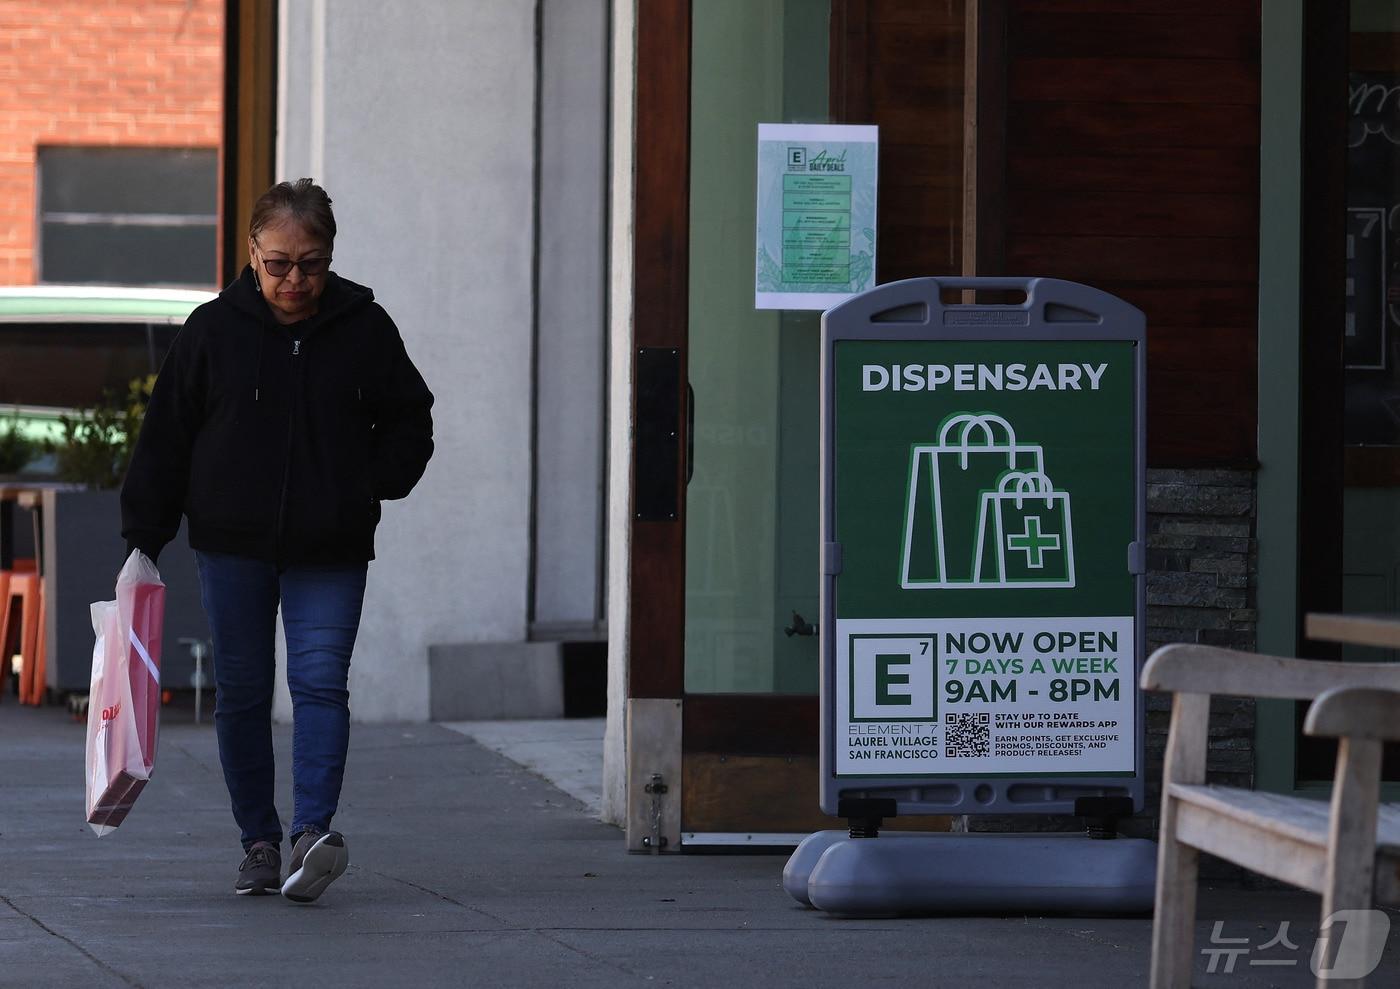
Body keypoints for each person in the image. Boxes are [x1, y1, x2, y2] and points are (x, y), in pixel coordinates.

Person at [121, 178, 434, 901]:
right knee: (242, 690)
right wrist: (144, 537)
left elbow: (411, 418)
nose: (296, 280)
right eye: (279, 264)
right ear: (252, 253)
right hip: (232, 544)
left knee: (320, 684)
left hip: (332, 544)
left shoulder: (364, 326)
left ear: (331, 255)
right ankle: (258, 842)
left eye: (312, 264)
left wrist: (370, 483)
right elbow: (166, 437)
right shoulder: (213, 331)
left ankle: (311, 835)